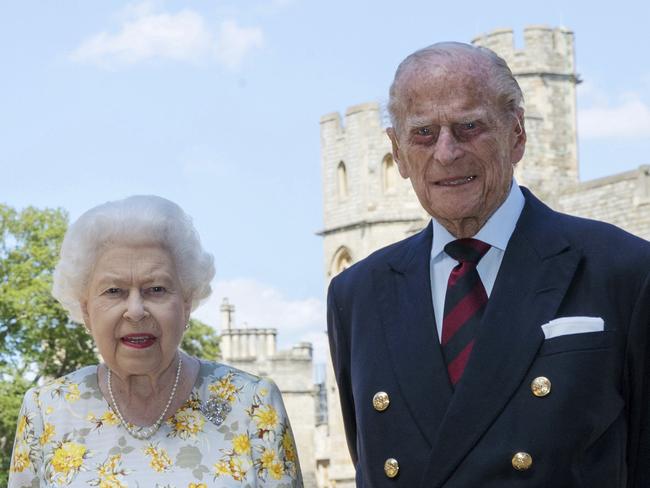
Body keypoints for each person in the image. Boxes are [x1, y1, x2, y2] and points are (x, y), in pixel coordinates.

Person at [327, 42, 650, 487]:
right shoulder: (356, 295)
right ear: (397, 153)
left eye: (468, 127)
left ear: (516, 134)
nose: (446, 152)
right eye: (423, 133)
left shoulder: (625, 271)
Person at [9, 195, 302, 487]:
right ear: (86, 310)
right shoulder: (45, 410)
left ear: (186, 303)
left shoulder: (252, 404)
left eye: (156, 289)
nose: (136, 311)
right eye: (114, 291)